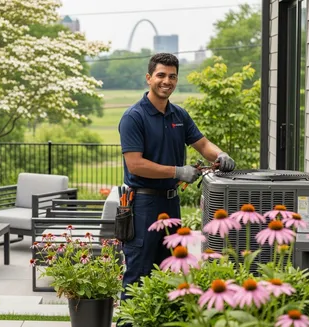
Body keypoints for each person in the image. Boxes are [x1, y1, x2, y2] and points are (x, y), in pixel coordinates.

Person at [117, 53, 235, 319]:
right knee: (138, 276)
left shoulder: (178, 114)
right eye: (160, 75)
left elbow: (203, 145)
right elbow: (135, 164)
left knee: (167, 273)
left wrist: (220, 156)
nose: (166, 81)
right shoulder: (133, 117)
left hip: (171, 204)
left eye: (171, 76)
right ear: (149, 78)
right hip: (142, 205)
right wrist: (177, 171)